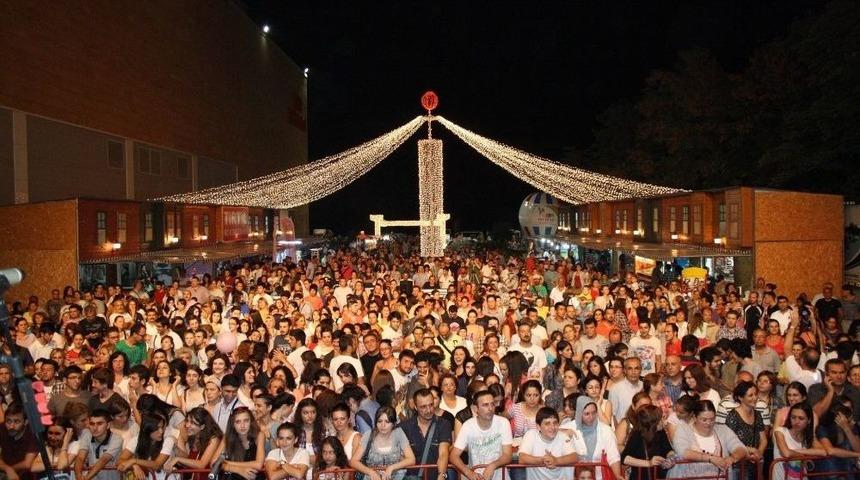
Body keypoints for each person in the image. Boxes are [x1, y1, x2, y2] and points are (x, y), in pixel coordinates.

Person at [667, 400, 748, 478]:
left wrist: (732, 458)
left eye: (712, 419)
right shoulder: (683, 428)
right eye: (704, 420)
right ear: (694, 417)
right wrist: (710, 458)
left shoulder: (723, 430)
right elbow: (683, 452)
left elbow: (740, 448)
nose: (708, 423)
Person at [449, 390, 513, 480]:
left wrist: (492, 466)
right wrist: (469, 473)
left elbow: (507, 455)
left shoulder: (503, 423)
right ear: (476, 409)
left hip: (500, 476)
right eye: (485, 405)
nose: (490, 408)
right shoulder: (468, 425)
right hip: (476, 477)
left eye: (492, 404)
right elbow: (453, 456)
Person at [349, 406, 416, 480]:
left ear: (394, 423)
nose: (383, 425)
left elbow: (411, 459)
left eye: (387, 422)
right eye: (379, 421)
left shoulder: (399, 433)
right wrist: (370, 472)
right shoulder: (368, 435)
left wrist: (392, 467)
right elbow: (354, 461)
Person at [400, 388, 453, 480]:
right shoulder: (404, 427)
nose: (429, 410)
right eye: (423, 407)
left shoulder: (443, 424)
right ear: (415, 407)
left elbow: (443, 453)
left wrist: (441, 475)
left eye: (431, 405)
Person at [518, 407, 579, 480]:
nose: (552, 427)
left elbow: (574, 457)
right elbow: (522, 459)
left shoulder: (563, 436)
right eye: (547, 424)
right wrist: (543, 460)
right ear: (538, 426)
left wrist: (556, 460)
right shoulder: (531, 434)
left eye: (555, 423)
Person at [570, 396, 622, 480]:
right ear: (579, 413)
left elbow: (613, 456)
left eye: (594, 413)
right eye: (587, 414)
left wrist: (617, 475)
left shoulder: (606, 430)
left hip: (599, 476)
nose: (591, 417)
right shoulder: (568, 428)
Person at [772, 403, 828, 480]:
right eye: (793, 417)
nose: (796, 421)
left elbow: (823, 452)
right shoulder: (780, 431)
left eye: (801, 418)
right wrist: (803, 457)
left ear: (809, 420)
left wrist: (801, 452)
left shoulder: (807, 436)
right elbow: (786, 453)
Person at [163, 407, 223, 477]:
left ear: (202, 427)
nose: (187, 425)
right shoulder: (193, 437)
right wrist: (175, 448)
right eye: (187, 421)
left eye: (192, 423)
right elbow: (189, 463)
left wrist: (177, 459)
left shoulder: (214, 439)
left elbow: (201, 465)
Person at [620, 405, 676, 480]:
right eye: (660, 419)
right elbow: (624, 458)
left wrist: (670, 459)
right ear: (653, 423)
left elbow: (668, 450)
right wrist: (648, 463)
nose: (664, 421)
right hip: (640, 476)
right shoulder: (637, 435)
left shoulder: (661, 432)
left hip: (659, 476)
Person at [117, 412, 174, 480]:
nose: (161, 431)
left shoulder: (168, 440)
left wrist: (134, 461)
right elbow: (120, 461)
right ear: (147, 429)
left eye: (162, 427)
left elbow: (157, 465)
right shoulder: (136, 439)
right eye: (157, 428)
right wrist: (134, 466)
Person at [214, 407, 266, 480]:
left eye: (246, 421)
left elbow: (258, 464)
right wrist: (238, 470)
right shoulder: (227, 437)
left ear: (251, 422)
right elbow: (213, 463)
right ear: (232, 424)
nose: (242, 425)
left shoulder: (259, 435)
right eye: (238, 422)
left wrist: (227, 463)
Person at [74, 408, 125, 480]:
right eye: (92, 424)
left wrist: (86, 478)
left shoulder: (117, 439)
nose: (95, 428)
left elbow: (103, 460)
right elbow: (80, 457)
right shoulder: (87, 434)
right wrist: (78, 476)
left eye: (99, 423)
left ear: (108, 425)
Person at [0, 402, 39, 480]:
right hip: (4, 470)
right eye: (8, 421)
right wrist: (7, 469)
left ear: (25, 422)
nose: (11, 426)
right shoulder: (2, 428)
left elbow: (27, 464)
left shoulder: (32, 434)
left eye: (17, 422)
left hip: (25, 474)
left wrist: (10, 470)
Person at [608, 357, 643, 424]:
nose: (633, 372)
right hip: (624, 431)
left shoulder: (644, 386)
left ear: (641, 370)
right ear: (625, 370)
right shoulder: (616, 389)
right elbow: (612, 415)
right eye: (630, 368)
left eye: (636, 368)